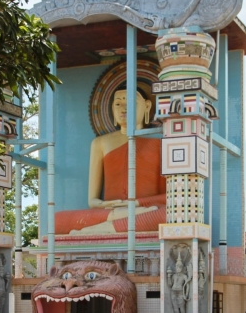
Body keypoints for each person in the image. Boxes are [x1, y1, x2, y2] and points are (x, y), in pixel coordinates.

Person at [55, 85, 166, 235]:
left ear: (147, 106)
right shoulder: (100, 143)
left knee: (168, 215)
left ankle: (98, 230)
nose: (123, 108)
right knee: (57, 220)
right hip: (110, 213)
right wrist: (105, 205)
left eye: (131, 103)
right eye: (118, 104)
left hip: (146, 211)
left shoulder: (160, 144)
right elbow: (92, 201)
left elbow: (169, 197)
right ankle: (119, 222)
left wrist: (136, 203)